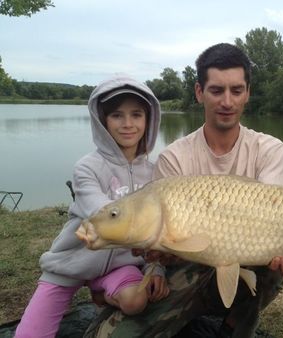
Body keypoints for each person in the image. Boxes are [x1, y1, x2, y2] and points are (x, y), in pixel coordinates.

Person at [87, 43, 283, 338]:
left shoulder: (269, 150)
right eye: (217, 91)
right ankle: (182, 319)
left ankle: (234, 328)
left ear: (247, 93)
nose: (227, 101)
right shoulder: (175, 157)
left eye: (236, 90)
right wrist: (155, 268)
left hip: (248, 261)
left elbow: (275, 223)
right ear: (199, 92)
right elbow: (155, 242)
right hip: (186, 269)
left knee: (274, 262)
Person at [15, 74, 169, 338]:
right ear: (102, 121)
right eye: (117, 116)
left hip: (121, 266)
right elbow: (101, 214)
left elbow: (162, 230)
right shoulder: (87, 167)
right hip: (73, 262)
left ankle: (102, 294)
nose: (128, 124)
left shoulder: (156, 174)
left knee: (136, 301)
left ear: (149, 119)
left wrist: (156, 266)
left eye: (136, 115)